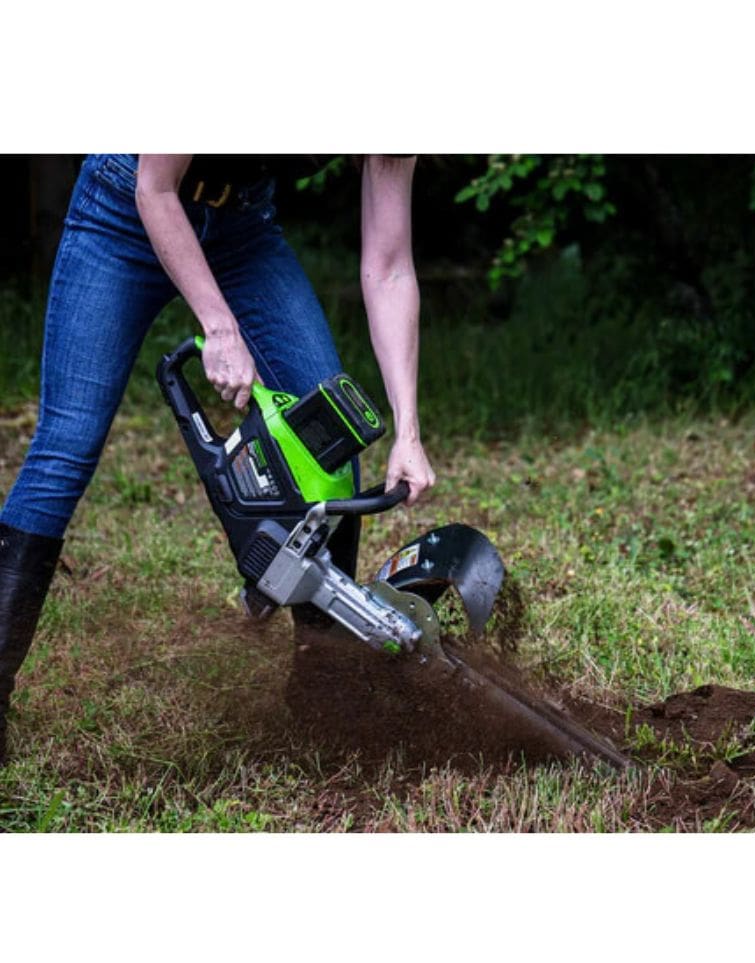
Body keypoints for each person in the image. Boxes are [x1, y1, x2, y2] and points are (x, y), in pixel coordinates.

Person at [0, 154, 436, 761]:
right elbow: (155, 188)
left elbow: (388, 268)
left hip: (242, 229)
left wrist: (408, 430)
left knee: (328, 427)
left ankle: (325, 697)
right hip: (124, 210)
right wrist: (219, 326)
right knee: (66, 447)